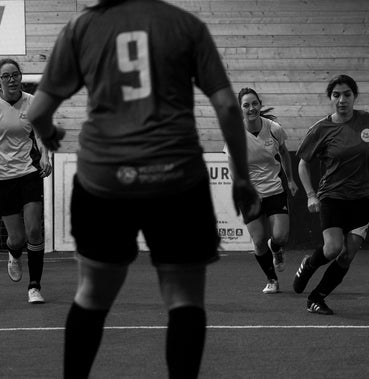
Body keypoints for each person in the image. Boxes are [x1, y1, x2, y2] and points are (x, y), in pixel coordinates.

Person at [27, 0, 259, 377]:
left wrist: (50, 134)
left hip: (103, 181)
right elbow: (228, 109)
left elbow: (37, 112)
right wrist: (242, 179)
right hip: (177, 180)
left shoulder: (81, 27)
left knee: (92, 295)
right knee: (183, 298)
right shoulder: (186, 25)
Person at [293, 74, 369, 315]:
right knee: (333, 249)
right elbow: (303, 164)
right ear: (330, 98)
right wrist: (310, 195)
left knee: (347, 255)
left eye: (347, 94)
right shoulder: (321, 129)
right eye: (336, 95)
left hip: (362, 198)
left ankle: (317, 297)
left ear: (354, 96)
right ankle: (309, 264)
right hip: (332, 198)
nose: (342, 99)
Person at [224, 87, 298, 294]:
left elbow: (284, 153)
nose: (251, 108)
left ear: (260, 104)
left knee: (281, 237)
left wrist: (290, 179)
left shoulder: (274, 129)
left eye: (254, 103)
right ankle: (271, 279)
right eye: (246, 105)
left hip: (274, 189)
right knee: (257, 241)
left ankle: (276, 249)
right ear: (240, 109)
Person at [0, 58, 52, 304]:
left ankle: (34, 286)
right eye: (5, 76)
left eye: (15, 75)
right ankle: (14, 253)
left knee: (33, 230)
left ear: (21, 77)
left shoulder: (33, 103)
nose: (11, 80)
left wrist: (44, 157)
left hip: (29, 173)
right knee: (17, 239)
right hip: (3, 179)